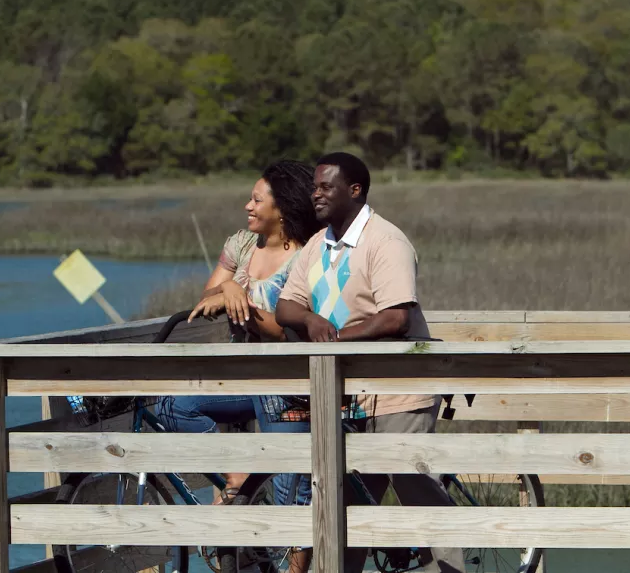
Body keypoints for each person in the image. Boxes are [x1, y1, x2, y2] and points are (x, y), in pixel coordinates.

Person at [276, 152, 466, 573]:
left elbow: (396, 316)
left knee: (414, 484)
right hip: (348, 393)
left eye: (326, 187)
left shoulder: (386, 241)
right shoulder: (317, 244)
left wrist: (337, 337)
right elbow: (285, 306)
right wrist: (310, 319)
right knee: (351, 502)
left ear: (355, 191)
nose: (316, 194)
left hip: (400, 388)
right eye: (314, 187)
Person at [156, 159, 319, 509]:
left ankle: (293, 560)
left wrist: (240, 301)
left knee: (290, 498)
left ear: (283, 208)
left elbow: (281, 329)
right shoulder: (243, 244)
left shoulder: (309, 255)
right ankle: (238, 479)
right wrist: (228, 286)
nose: (248, 206)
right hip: (244, 379)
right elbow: (206, 299)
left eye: (257, 200)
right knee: (170, 407)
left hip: (288, 388)